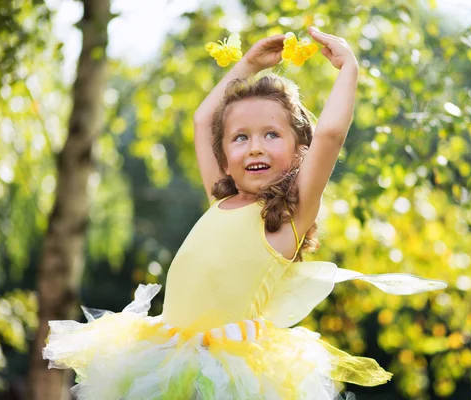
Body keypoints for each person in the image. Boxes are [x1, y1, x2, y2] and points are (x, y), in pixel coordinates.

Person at [42, 27, 447, 399]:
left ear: (298, 152)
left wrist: (348, 68)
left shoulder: (290, 214)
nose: (255, 147)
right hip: (163, 352)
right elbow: (204, 120)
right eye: (240, 138)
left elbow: (330, 133)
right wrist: (249, 65)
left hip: (227, 371)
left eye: (272, 135)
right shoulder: (220, 198)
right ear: (226, 156)